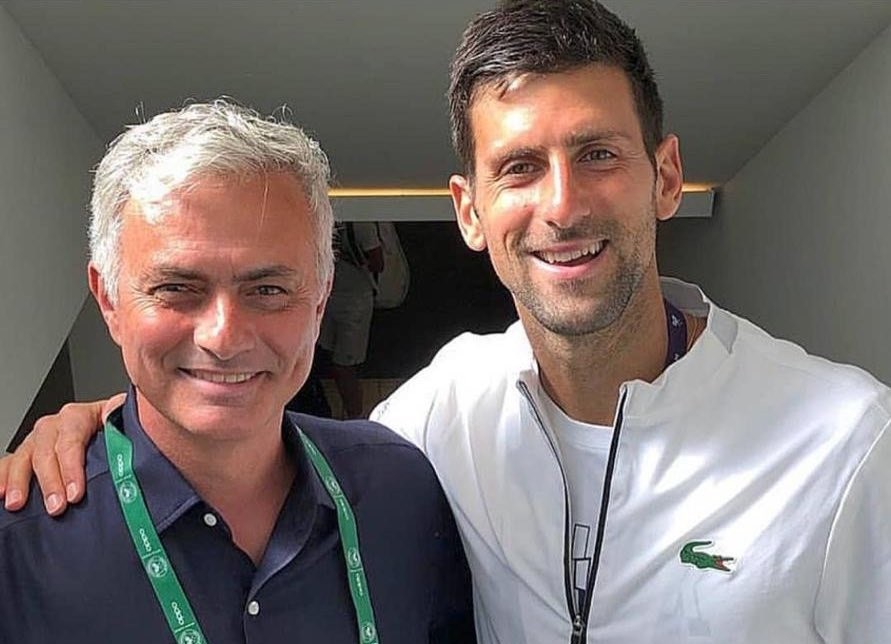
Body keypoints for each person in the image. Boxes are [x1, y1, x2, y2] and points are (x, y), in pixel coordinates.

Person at [2, 2, 889, 642]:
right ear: (468, 210)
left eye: (597, 155)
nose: (562, 204)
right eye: (518, 168)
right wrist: (92, 421)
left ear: (665, 178)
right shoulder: (441, 414)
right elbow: (234, 414)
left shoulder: (848, 442)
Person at [0, 101, 474, 643]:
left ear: (320, 302)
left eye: (268, 290)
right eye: (176, 288)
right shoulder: (19, 549)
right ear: (109, 300)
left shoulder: (401, 491)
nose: (223, 337)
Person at [317, 221, 384, 418]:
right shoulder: (362, 222)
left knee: (342, 365)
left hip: (348, 301)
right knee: (335, 361)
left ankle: (355, 419)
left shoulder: (359, 223)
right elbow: (378, 263)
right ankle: (351, 417)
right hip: (334, 297)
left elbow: (378, 262)